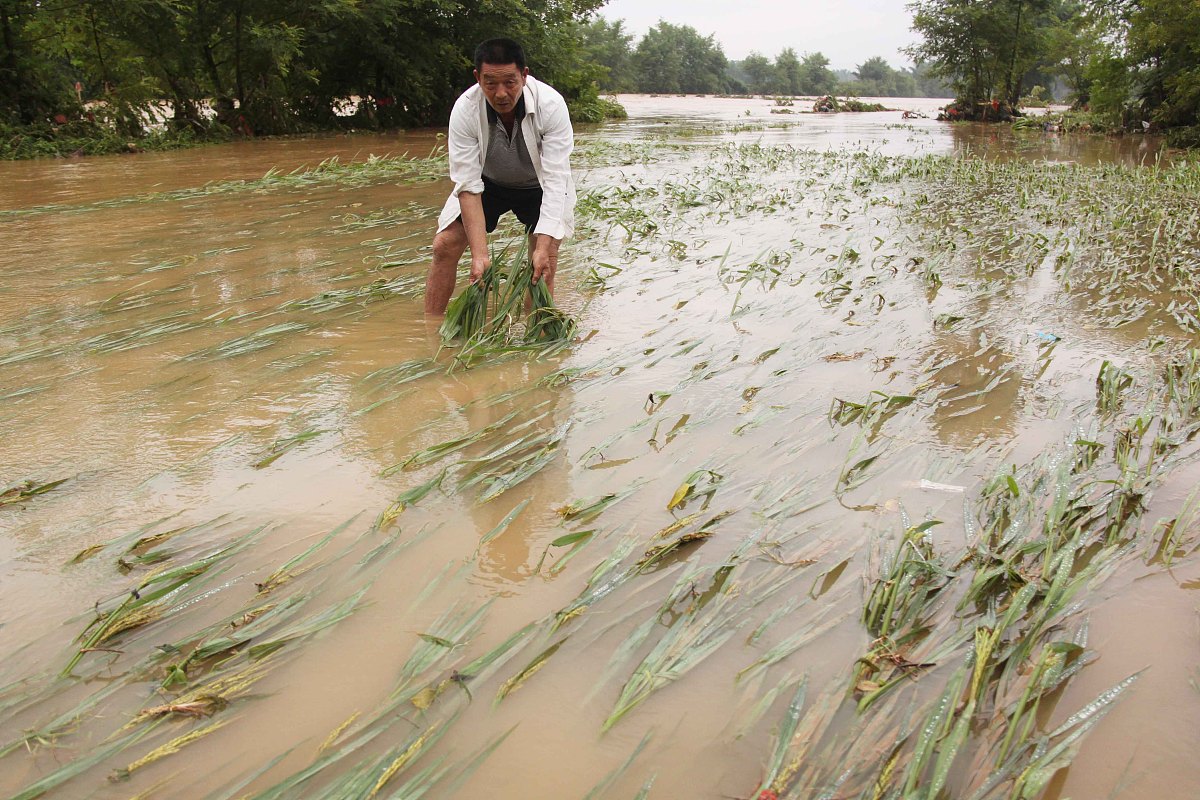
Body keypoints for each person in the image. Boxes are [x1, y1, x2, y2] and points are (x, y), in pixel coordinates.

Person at [425, 38, 576, 315]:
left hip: (539, 186)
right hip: (489, 183)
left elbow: (556, 180)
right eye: (490, 83)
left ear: (524, 75)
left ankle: (536, 338)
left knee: (543, 261)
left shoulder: (551, 105)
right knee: (444, 245)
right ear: (477, 78)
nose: (501, 93)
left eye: (510, 82)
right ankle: (430, 329)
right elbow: (468, 185)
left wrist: (543, 245)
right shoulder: (465, 109)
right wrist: (480, 255)